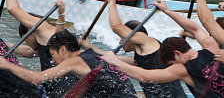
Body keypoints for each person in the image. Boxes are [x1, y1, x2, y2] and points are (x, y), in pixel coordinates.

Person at [101, 0, 224, 98]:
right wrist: (167, 10)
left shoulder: (181, 69)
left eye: (171, 64)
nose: (172, 67)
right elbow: (196, 29)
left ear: (177, 54)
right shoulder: (212, 49)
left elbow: (143, 76)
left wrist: (115, 61)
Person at [4, 0, 79, 97]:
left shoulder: (41, 27)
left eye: (24, 39)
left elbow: (12, 8)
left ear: (29, 31)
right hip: (60, 88)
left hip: (61, 90)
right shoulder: (51, 40)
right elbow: (30, 52)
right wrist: (4, 45)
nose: (28, 45)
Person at [0, 30, 137, 97]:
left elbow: (37, 78)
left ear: (63, 49)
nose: (52, 61)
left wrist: (7, 65)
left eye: (53, 55)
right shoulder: (91, 54)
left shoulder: (74, 61)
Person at [102, 0, 186, 98]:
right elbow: (114, 58)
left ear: (136, 36)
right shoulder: (142, 55)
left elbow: (116, 27)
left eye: (122, 37)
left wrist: (112, 1)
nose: (120, 42)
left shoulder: (146, 41)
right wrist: (88, 47)